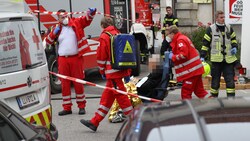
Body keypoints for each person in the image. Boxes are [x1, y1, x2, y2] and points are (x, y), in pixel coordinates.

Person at [80, 17, 133, 132]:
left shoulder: (104, 36)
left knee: (122, 97)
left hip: (112, 73)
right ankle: (94, 121)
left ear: (102, 26)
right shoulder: (117, 33)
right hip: (119, 70)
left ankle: (134, 120)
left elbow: (101, 56)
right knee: (106, 98)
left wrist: (101, 70)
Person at [45, 8, 97, 116]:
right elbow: (48, 42)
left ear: (68, 15)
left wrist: (91, 13)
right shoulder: (56, 28)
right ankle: (67, 107)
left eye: (65, 16)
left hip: (76, 58)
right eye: (61, 17)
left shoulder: (76, 22)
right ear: (58, 18)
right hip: (63, 59)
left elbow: (87, 20)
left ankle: (81, 106)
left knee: (78, 83)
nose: (63, 19)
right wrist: (53, 33)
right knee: (65, 84)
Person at [200, 10, 238, 97]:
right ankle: (214, 98)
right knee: (215, 81)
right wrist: (202, 56)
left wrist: (235, 47)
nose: (223, 19)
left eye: (224, 17)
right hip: (216, 60)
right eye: (221, 17)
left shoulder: (229, 28)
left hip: (228, 60)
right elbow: (205, 44)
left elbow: (233, 39)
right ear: (216, 18)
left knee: (230, 81)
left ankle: (231, 99)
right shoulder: (211, 29)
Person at [167, 25, 208, 99]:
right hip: (195, 70)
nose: (168, 36)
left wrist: (173, 57)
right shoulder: (182, 38)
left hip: (191, 72)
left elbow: (184, 55)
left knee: (186, 92)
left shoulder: (180, 40)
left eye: (168, 34)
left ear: (172, 33)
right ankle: (212, 104)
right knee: (199, 91)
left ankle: (187, 108)